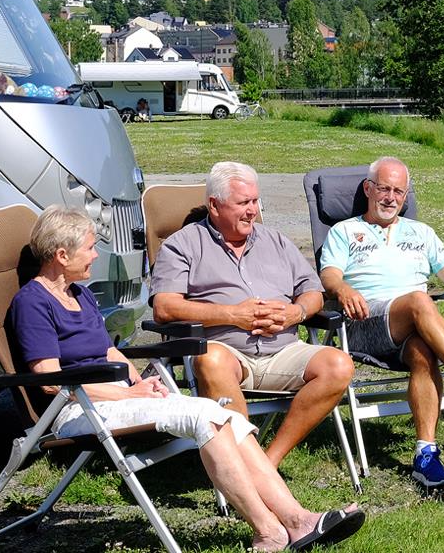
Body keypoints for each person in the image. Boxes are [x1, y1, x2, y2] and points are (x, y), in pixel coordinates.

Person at [9, 207, 363, 552]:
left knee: (227, 418)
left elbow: (110, 353)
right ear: (60, 255)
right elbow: (50, 381)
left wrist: (138, 385)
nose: (94, 256)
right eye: (88, 248)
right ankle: (269, 530)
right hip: (75, 409)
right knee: (204, 416)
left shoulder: (79, 294)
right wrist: (131, 397)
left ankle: (298, 518)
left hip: (116, 397)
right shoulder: (33, 303)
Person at [318, 156, 444, 488]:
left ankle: (426, 454)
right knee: (420, 299)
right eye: (383, 189)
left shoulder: (421, 232)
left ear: (405, 196)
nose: (390, 198)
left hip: (414, 329)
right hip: (366, 323)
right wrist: (343, 288)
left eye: (398, 191)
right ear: (368, 189)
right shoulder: (345, 231)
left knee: (424, 350)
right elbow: (330, 274)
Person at [151, 162, 356, 468]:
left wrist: (295, 312)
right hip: (228, 354)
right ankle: (244, 468)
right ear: (215, 205)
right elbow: (165, 307)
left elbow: (312, 292)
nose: (252, 211)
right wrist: (232, 315)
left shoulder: (275, 241)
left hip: (284, 350)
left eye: (255, 201)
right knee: (212, 358)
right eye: (243, 203)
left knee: (339, 364)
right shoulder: (184, 244)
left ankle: (266, 463)